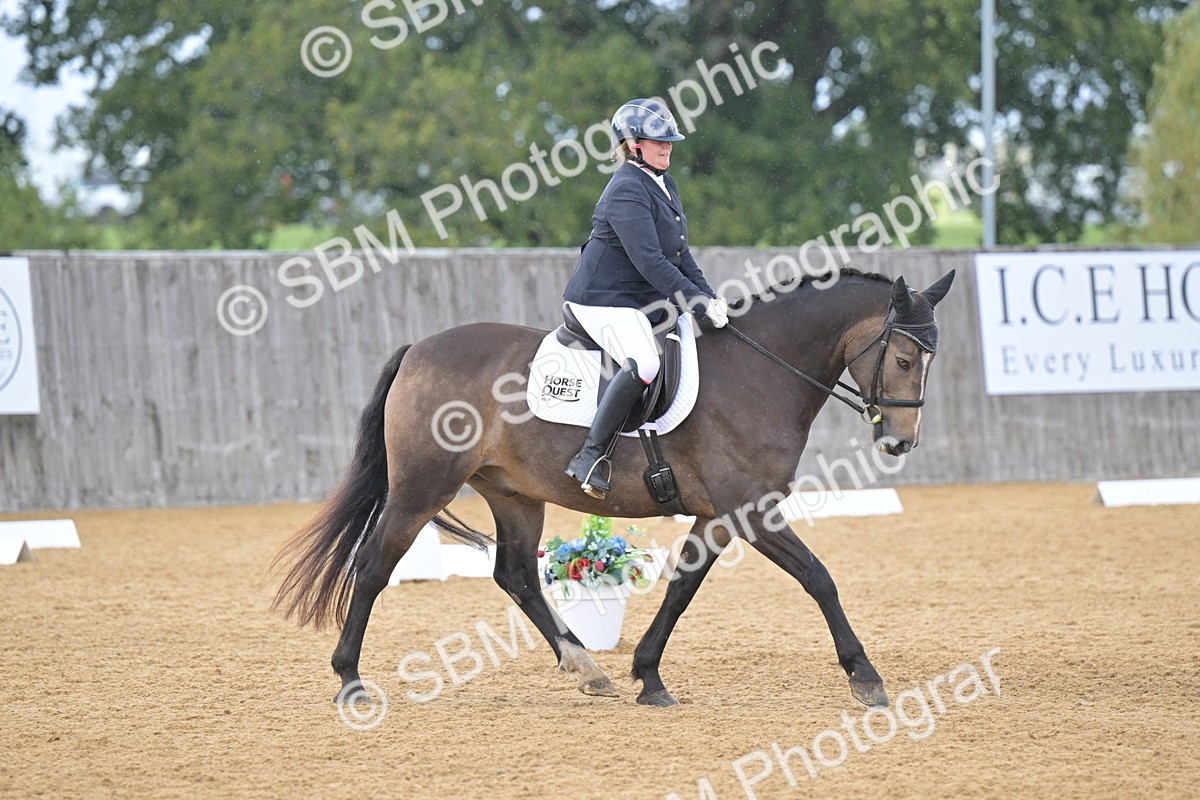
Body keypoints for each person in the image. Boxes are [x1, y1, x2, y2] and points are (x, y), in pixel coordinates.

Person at [562, 97, 729, 499]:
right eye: (659, 141)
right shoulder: (625, 190)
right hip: (602, 301)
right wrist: (696, 301)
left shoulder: (662, 181)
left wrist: (707, 296)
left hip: (636, 298)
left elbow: (679, 253)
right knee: (647, 362)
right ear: (633, 144)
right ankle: (590, 457)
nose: (668, 146)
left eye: (670, 140)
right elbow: (651, 262)